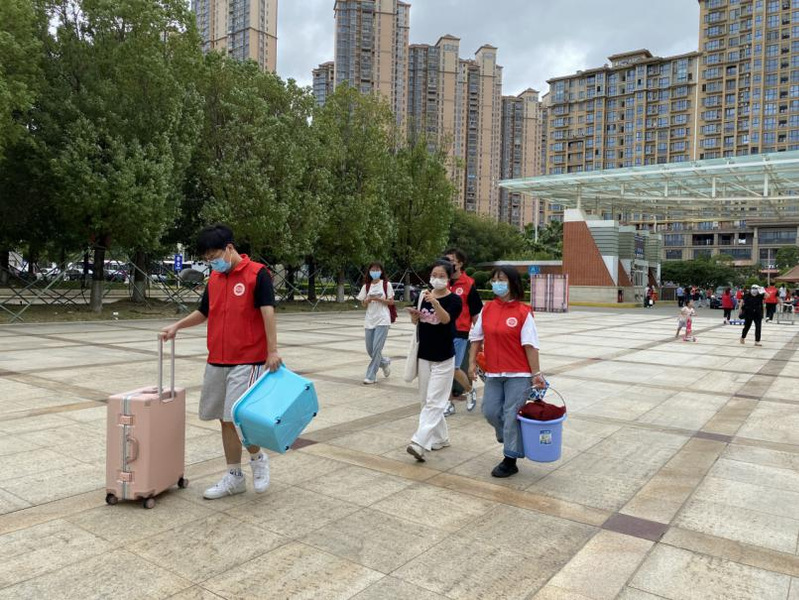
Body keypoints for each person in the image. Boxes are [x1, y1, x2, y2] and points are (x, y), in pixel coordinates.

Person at [159, 224, 281, 499]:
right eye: (206, 258)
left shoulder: (257, 274)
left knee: (238, 418)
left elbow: (268, 312)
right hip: (217, 358)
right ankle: (234, 477)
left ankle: (258, 459)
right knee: (224, 420)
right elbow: (204, 312)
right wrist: (177, 326)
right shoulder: (214, 278)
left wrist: (272, 351)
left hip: (248, 359)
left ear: (229, 248)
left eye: (213, 256)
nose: (211, 262)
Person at [468, 266, 545, 478]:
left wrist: (536, 373)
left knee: (512, 414)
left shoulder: (523, 312)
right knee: (490, 411)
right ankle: (511, 438)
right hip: (494, 373)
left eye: (501, 279)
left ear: (512, 283)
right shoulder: (488, 309)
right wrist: (471, 363)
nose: (496, 283)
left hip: (519, 374)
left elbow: (530, 345)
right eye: (494, 280)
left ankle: (510, 459)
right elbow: (476, 337)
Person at [405, 259, 462, 462]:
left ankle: (419, 442)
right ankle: (441, 438)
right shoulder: (422, 295)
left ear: (449, 278)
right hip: (424, 355)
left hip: (444, 357)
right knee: (426, 400)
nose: (436, 279)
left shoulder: (454, 300)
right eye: (434, 275)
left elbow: (446, 319)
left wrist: (435, 303)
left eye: (441, 276)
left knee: (435, 401)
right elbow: (417, 322)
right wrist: (414, 315)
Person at [444, 248, 483, 415]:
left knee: (453, 368)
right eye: (446, 260)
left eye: (451, 260)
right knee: (443, 369)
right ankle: (448, 403)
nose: (448, 264)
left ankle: (468, 390)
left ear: (460, 263)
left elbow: (475, 313)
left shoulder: (468, 284)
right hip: (441, 332)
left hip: (460, 332)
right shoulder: (442, 281)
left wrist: (480, 339)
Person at [356, 262, 394, 385]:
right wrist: (367, 300)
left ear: (381, 271)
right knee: (370, 349)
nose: (375, 272)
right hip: (370, 320)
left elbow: (391, 302)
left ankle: (371, 375)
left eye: (377, 269)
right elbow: (363, 303)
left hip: (383, 319)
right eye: (373, 269)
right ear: (369, 271)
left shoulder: (386, 284)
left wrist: (379, 299)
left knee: (377, 349)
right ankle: (384, 362)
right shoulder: (366, 286)